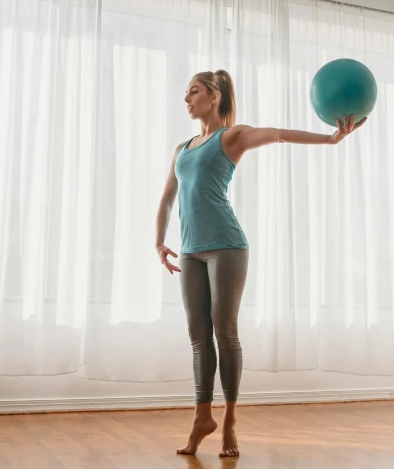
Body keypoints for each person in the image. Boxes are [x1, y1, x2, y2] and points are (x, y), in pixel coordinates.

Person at [154, 69, 365, 458]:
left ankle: (230, 421)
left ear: (214, 96)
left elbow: (279, 134)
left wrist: (331, 138)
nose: (186, 99)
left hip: (227, 247)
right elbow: (168, 196)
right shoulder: (181, 148)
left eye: (194, 92)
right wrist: (158, 241)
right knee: (198, 337)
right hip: (189, 249)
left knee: (224, 331)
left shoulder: (231, 137)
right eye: (185, 93)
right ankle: (202, 417)